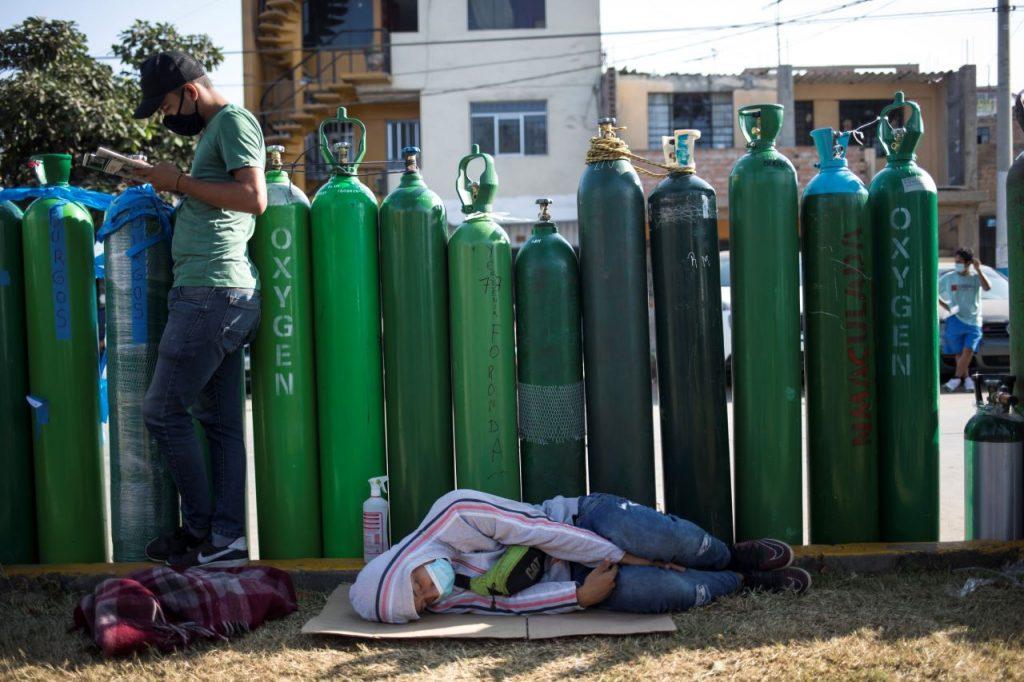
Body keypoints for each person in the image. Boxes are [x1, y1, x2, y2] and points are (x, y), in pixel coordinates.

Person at [132, 51, 267, 568]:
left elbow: (254, 198)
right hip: (217, 293)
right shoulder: (217, 131)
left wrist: (180, 183)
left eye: (166, 104)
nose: (166, 117)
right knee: (219, 423)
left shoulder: (232, 121)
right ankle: (226, 541)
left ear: (189, 91)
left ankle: (201, 532)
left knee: (162, 411)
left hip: (211, 294)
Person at [350, 490, 810, 623]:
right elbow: (504, 605)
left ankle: (729, 554)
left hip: (579, 524)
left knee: (643, 534)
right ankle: (741, 581)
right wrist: (578, 596)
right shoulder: (448, 594)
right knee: (662, 590)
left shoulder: (454, 513)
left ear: (400, 562)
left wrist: (629, 558)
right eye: (425, 603)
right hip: (578, 576)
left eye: (415, 585)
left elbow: (542, 532)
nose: (432, 592)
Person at [939, 247, 991, 393]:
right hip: (955, 318)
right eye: (956, 262)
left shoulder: (975, 277)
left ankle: (955, 379)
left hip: (974, 320)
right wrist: (947, 306)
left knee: (968, 350)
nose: (957, 265)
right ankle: (967, 379)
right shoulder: (949, 277)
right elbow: (934, 290)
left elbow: (987, 287)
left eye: (960, 262)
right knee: (959, 353)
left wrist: (979, 270)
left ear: (969, 263)